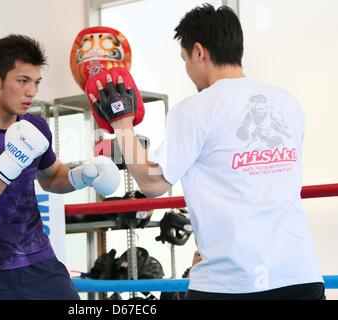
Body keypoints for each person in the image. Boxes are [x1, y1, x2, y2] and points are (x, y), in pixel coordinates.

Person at [87, 4, 324, 300]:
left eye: (185, 59)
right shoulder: (287, 102)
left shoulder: (196, 109)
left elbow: (152, 183)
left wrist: (122, 125)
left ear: (199, 52)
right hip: (300, 276)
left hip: (230, 283)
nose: (186, 69)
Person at [0, 34, 120, 300]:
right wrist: (9, 163)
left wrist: (83, 175)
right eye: (22, 81)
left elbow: (52, 176)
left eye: (36, 82)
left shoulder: (36, 127)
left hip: (38, 263)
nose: (31, 91)